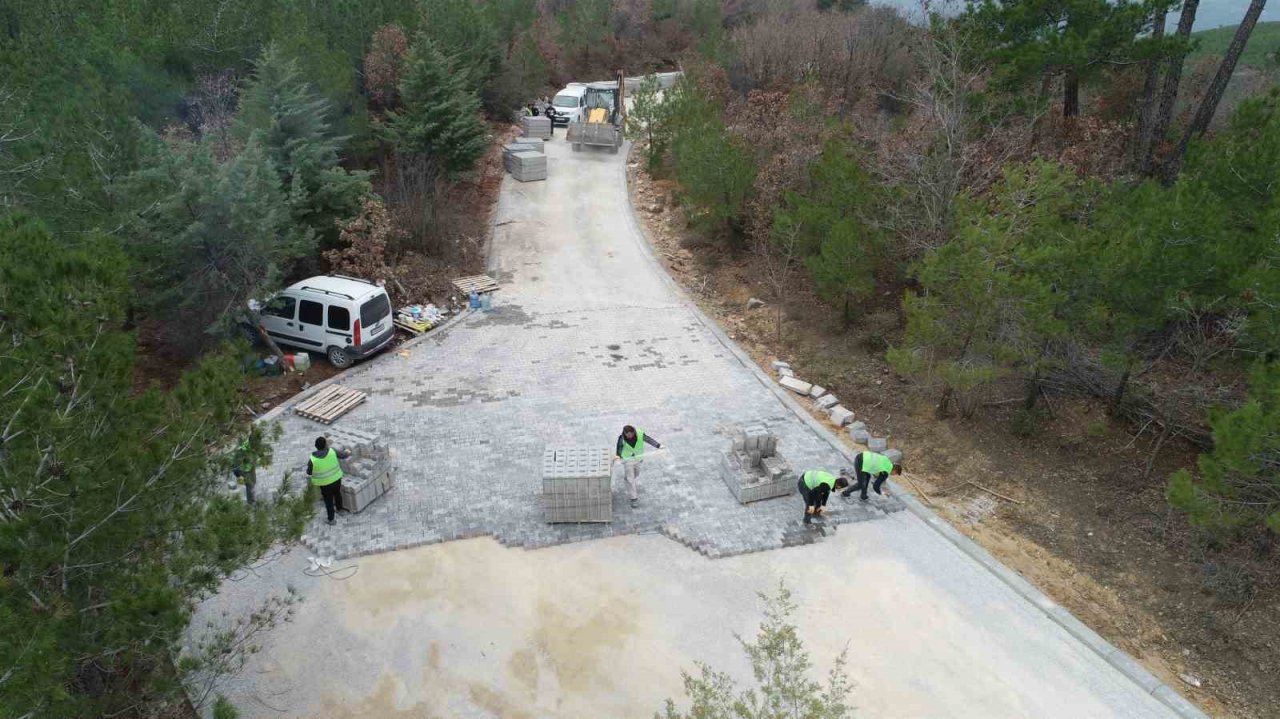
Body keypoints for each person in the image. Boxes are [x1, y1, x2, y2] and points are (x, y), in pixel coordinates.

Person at [307, 436, 351, 525]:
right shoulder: (332, 451)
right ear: (325, 445)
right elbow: (343, 455)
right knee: (337, 494)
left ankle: (331, 519)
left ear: (316, 446)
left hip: (325, 484)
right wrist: (347, 452)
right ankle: (340, 509)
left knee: (328, 501)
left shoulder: (312, 459)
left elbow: (309, 472)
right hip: (336, 479)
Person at [614, 425, 661, 508]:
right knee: (631, 480)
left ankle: (627, 478)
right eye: (627, 435)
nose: (629, 436)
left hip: (638, 458)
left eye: (630, 435)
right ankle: (634, 498)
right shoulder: (622, 438)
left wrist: (658, 445)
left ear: (633, 432)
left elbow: (648, 440)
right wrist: (618, 455)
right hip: (627, 459)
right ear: (625, 433)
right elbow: (619, 447)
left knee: (636, 473)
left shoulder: (639, 434)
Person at [231, 439, 257, 505]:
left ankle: (251, 501)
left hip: (248, 470)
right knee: (250, 485)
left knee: (251, 485)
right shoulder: (241, 450)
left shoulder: (246, 448)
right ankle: (251, 502)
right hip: (244, 470)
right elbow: (235, 465)